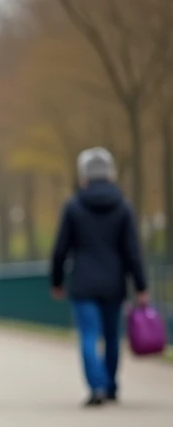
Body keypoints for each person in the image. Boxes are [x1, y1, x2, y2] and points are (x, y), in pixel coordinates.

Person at [49, 147, 149, 406]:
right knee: (112, 336)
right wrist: (141, 285)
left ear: (83, 176)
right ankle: (111, 384)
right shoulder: (123, 206)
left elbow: (60, 249)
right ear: (110, 174)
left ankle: (97, 386)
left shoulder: (73, 206)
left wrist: (56, 281)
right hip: (114, 282)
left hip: (83, 282)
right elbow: (132, 251)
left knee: (89, 335)